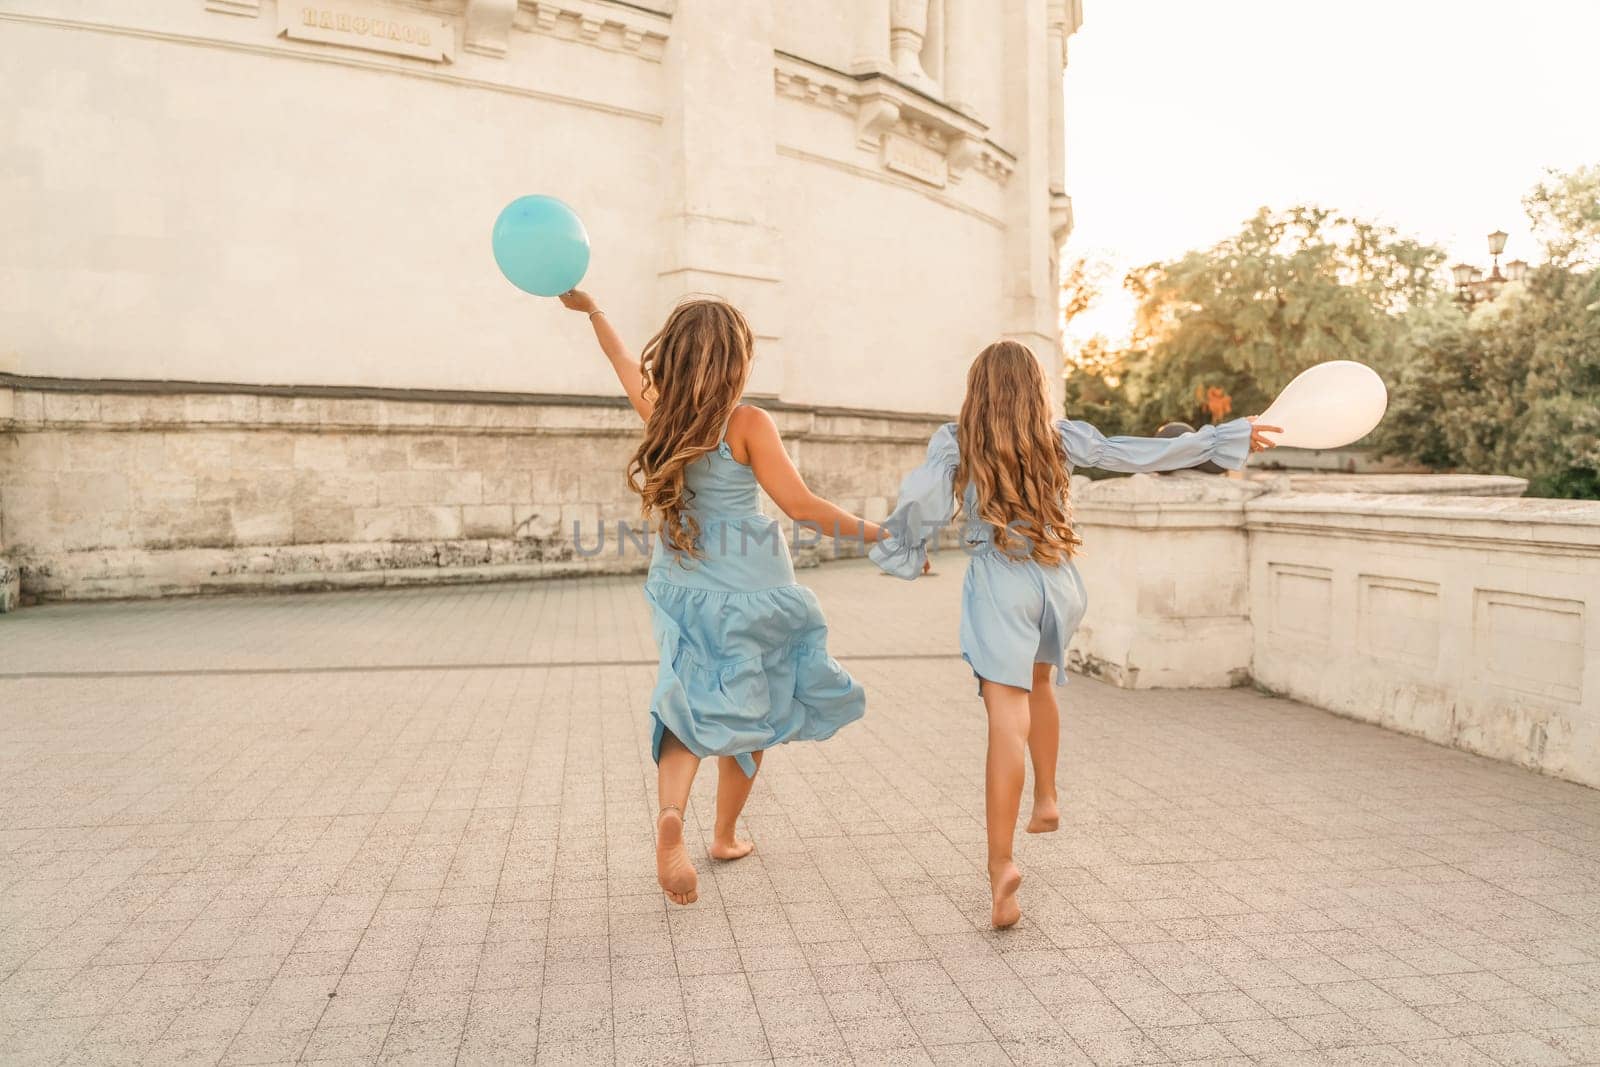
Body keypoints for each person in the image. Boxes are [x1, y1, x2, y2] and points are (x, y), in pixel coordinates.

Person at [871, 340, 1280, 928]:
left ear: (976, 387)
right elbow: (1139, 453)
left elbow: (921, 503)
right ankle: (1047, 798)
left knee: (1004, 716)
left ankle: (1001, 866)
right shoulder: (1062, 436)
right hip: (1059, 582)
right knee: (1043, 685)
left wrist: (906, 552)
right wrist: (1229, 435)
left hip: (1000, 582)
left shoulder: (955, 439)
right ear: (1037, 388)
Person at [559, 289, 883, 905]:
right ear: (738, 358)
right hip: (755, 586)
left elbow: (621, 359)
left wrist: (596, 310)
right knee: (755, 702)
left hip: (683, 584)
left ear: (675, 357)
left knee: (686, 698)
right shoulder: (747, 423)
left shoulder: (662, 415)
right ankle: (726, 835)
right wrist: (880, 535)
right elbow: (803, 507)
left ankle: (670, 813)